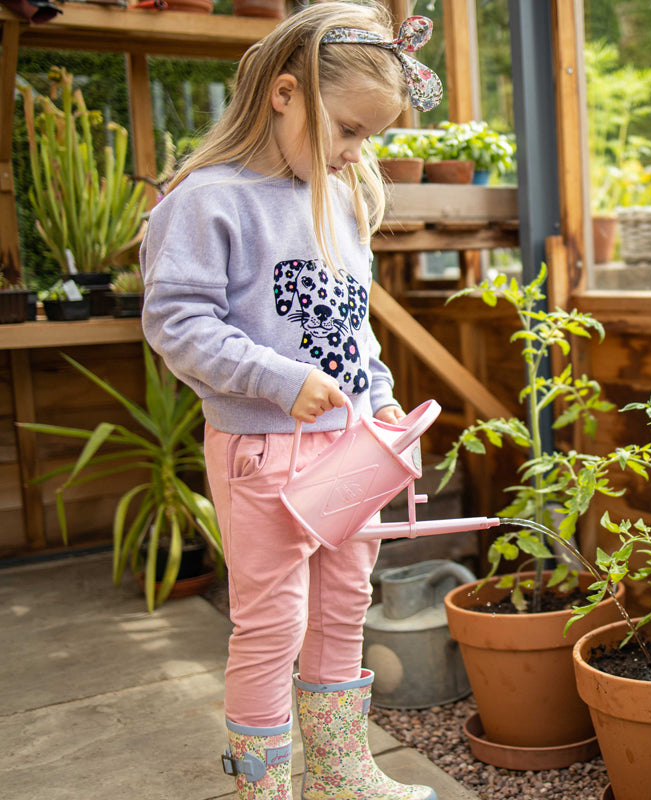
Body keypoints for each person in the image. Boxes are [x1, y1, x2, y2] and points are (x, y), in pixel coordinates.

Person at [140, 3, 443, 798]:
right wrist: (280, 380)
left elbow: (354, 330)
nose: (355, 153)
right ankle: (264, 788)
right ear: (285, 94)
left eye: (370, 138)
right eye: (347, 129)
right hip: (263, 454)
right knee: (272, 626)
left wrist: (381, 408)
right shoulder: (209, 200)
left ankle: (341, 775)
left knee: (345, 608)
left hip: (350, 452)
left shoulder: (341, 202)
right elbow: (176, 323)